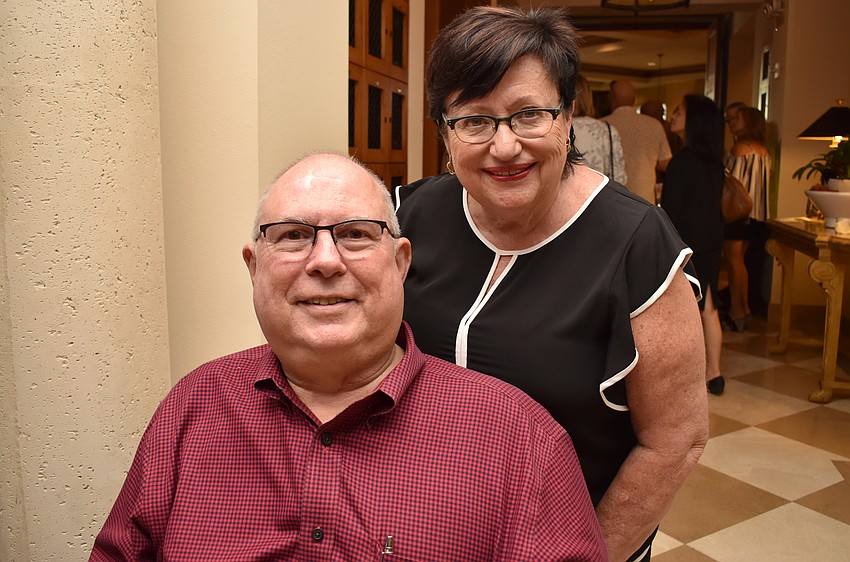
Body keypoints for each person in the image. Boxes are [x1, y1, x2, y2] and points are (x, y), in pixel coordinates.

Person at [89, 152, 608, 561]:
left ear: (401, 263)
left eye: (355, 235)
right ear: (254, 268)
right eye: (292, 236)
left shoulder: (520, 441)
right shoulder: (193, 407)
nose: (324, 261)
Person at [395, 7, 708, 562]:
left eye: (528, 114)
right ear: (445, 133)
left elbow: (675, 441)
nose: (505, 145)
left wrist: (587, 554)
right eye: (474, 119)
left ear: (567, 118)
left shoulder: (635, 242)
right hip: (424, 532)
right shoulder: (412, 215)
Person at [661, 95, 727, 395]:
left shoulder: (682, 162)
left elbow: (671, 214)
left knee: (681, 312)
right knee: (709, 308)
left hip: (686, 245)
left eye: (679, 111)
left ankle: (684, 376)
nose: (673, 116)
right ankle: (714, 372)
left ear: (694, 121)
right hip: (712, 240)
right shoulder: (714, 162)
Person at [723, 106, 771, 331]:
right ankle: (746, 310)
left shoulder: (740, 148)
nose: (730, 121)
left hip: (738, 214)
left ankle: (737, 311)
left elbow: (731, 182)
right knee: (741, 261)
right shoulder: (763, 150)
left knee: (734, 262)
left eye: (736, 118)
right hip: (758, 214)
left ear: (748, 121)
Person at [603, 80, 672, 204]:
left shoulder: (602, 126)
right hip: (645, 201)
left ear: (612, 98)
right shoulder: (654, 125)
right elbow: (666, 163)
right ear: (634, 99)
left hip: (612, 200)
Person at [572, 73, 627, 184]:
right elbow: (619, 179)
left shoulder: (555, 128)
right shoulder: (607, 130)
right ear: (588, 96)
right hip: (599, 197)